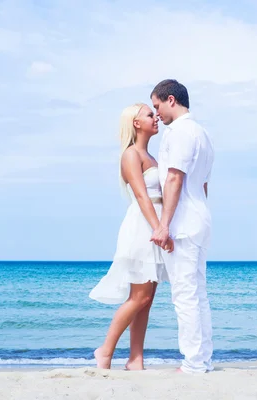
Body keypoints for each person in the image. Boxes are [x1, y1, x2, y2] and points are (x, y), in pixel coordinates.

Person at [89, 103, 173, 370]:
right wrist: (158, 227)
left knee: (147, 300)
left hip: (156, 224)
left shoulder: (153, 157)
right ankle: (105, 351)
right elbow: (141, 195)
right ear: (136, 123)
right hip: (143, 226)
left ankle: (135, 359)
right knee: (139, 296)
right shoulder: (130, 155)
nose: (156, 117)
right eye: (150, 114)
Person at [150, 79, 215, 373]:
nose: (157, 114)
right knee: (197, 293)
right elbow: (202, 184)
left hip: (184, 223)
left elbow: (174, 178)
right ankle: (201, 359)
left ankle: (193, 363)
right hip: (199, 218)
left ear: (171, 100)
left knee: (184, 294)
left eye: (157, 106)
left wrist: (164, 225)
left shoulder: (180, 133)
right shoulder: (202, 133)